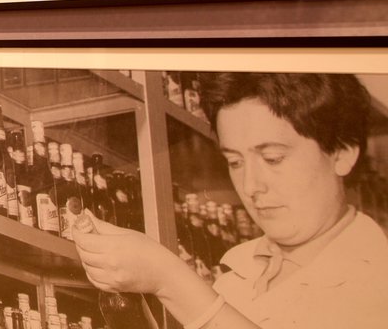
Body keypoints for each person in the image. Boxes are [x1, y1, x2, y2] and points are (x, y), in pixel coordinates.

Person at [72, 72, 388, 329]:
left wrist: (170, 281)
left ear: (341, 153)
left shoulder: (377, 277)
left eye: (273, 158)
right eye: (235, 162)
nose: (251, 186)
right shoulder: (238, 270)